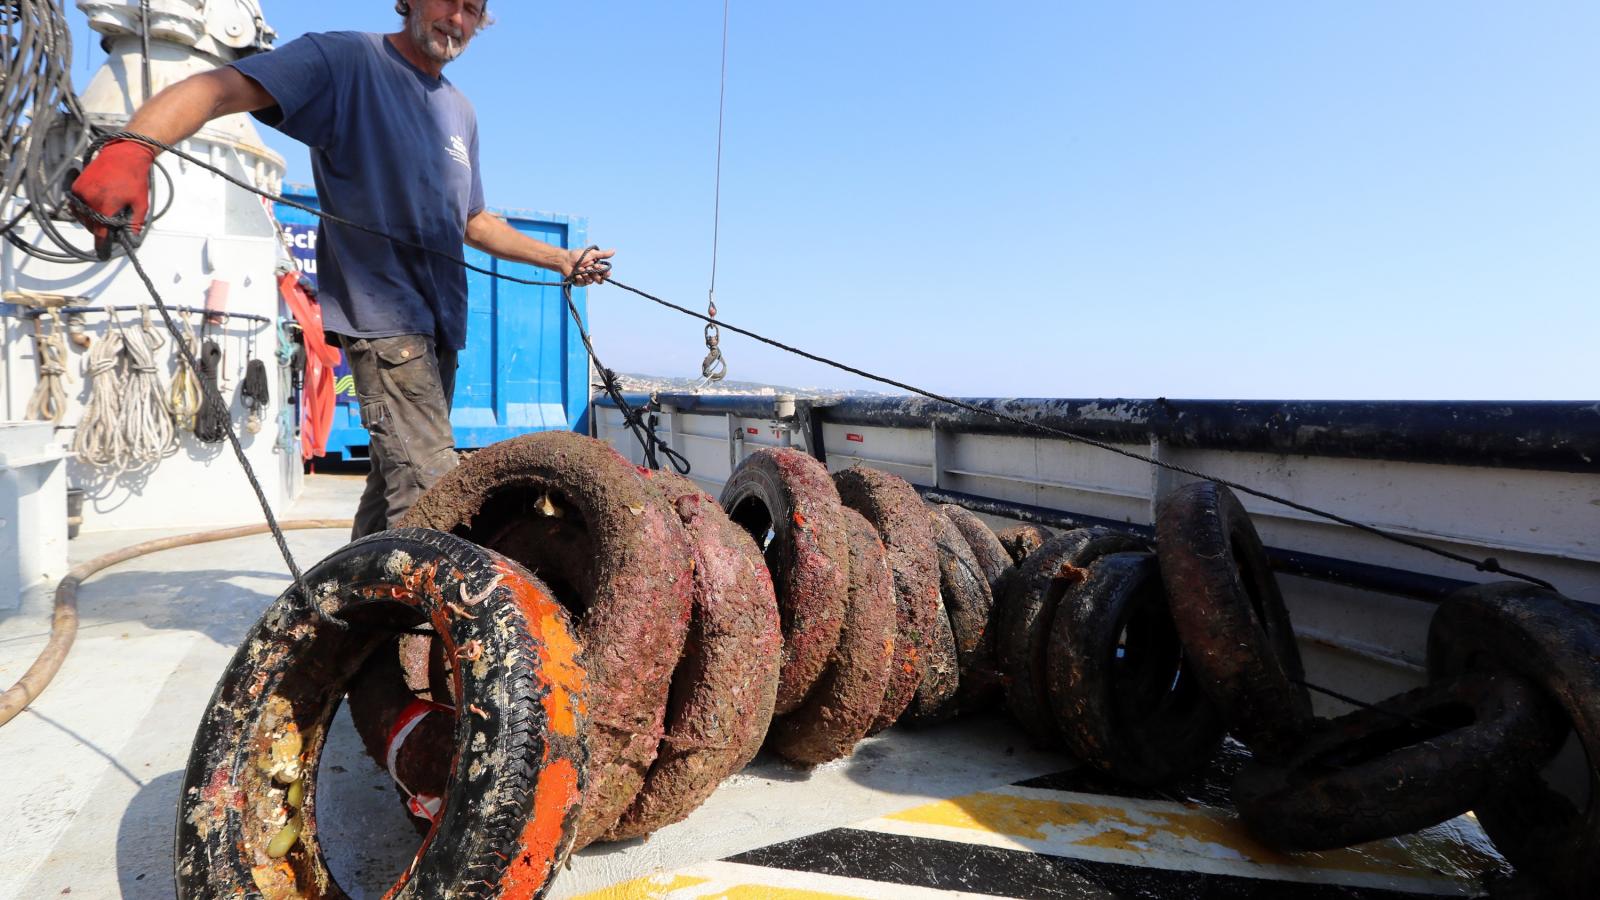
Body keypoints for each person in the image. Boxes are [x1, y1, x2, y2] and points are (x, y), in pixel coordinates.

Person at [70, 0, 613, 539]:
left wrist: (562, 259)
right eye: (448, 0)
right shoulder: (347, 60)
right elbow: (217, 88)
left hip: (442, 325)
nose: (458, 18)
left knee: (390, 484)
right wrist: (131, 150)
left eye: (472, 9)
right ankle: (414, 624)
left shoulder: (460, 111)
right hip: (382, 321)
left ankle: (347, 613)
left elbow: (473, 220)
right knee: (433, 494)